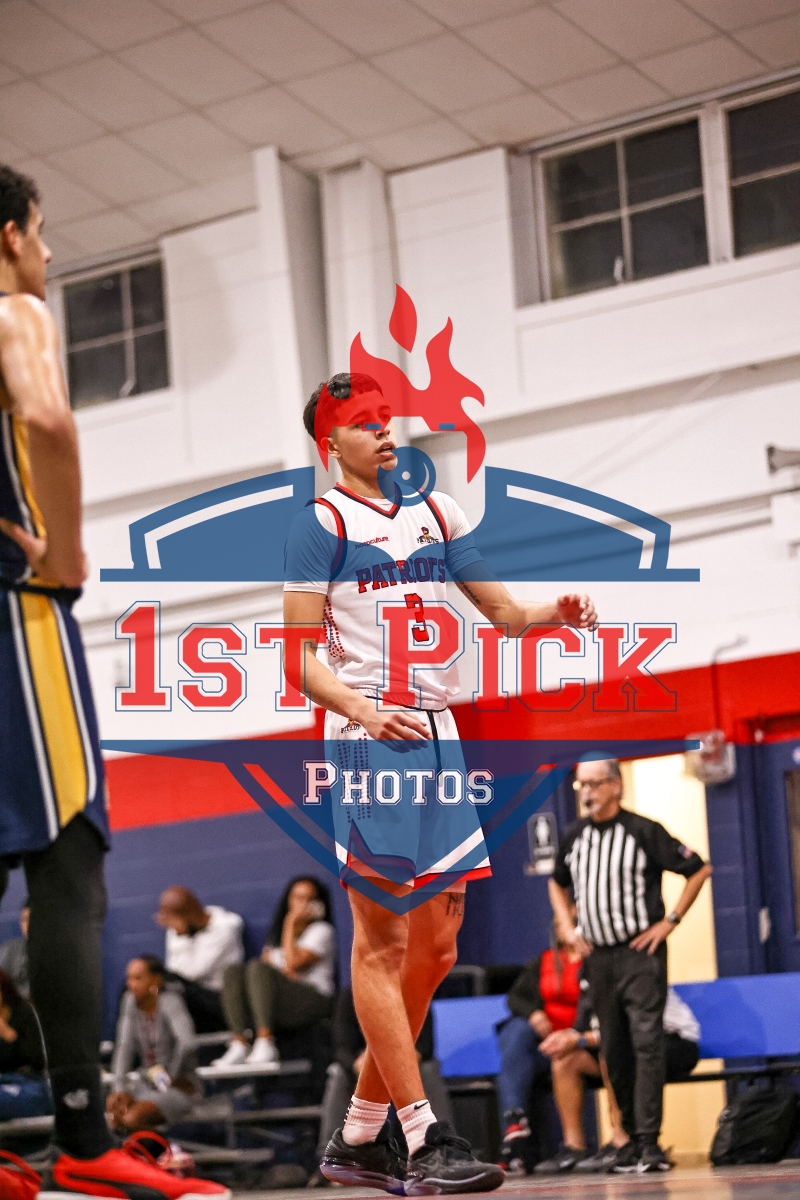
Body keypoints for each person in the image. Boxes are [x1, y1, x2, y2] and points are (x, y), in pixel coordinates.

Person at [284, 371, 597, 1193]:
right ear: (331, 443)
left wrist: (553, 614)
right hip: (368, 735)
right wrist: (362, 708)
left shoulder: (438, 510)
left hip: (437, 734)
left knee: (438, 948)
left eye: (386, 417)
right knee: (383, 942)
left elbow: (504, 616)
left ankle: (359, 1133)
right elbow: (298, 662)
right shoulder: (320, 526)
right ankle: (423, 1138)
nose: (385, 430)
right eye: (364, 422)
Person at [0, 163, 227, 1199]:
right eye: (42, 230)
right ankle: (85, 1140)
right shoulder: (15, 309)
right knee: (68, 865)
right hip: (15, 621)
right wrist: (64, 551)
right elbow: (48, 421)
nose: (49, 252)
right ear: (9, 237)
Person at [549, 757, 712, 1174]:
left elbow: (698, 869)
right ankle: (627, 1140)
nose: (587, 792)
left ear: (615, 786)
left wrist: (669, 921)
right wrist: (566, 925)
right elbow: (556, 881)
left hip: (639, 953)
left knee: (646, 1043)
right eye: (581, 785)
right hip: (598, 957)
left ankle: (649, 1141)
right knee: (613, 1047)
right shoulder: (574, 836)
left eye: (594, 783)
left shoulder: (643, 831)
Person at [313, 984, 454, 1180]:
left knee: (429, 1070)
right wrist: (360, 1064)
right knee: (338, 1074)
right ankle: (332, 1159)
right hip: (365, 1068)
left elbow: (424, 1046)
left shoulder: (415, 991)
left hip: (404, 1064)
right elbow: (342, 1049)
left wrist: (391, 1061)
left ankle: (442, 1152)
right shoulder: (351, 994)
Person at [214, 876, 336, 1069]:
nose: (303, 904)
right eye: (298, 898)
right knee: (233, 971)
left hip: (314, 998)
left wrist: (290, 922)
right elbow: (267, 976)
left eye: (309, 898)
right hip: (282, 1000)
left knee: (258, 967)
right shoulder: (275, 938)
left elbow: (292, 964)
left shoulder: (322, 931)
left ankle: (265, 1040)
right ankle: (239, 1042)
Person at [495, 929, 583, 1173]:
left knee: (514, 1062)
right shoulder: (544, 961)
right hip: (545, 1047)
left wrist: (574, 1036)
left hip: (581, 1045)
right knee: (517, 1032)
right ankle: (515, 1121)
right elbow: (515, 998)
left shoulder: (596, 961)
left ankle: (513, 1140)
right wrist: (534, 1013)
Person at [107, 956, 199, 1134]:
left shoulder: (170, 1001)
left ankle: (155, 1149)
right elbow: (124, 1047)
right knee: (114, 1113)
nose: (131, 984)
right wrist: (119, 1089)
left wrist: (172, 1075)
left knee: (132, 1118)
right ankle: (138, 1150)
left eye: (138, 978)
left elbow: (187, 1043)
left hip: (180, 1087)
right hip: (146, 1083)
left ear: (156, 980)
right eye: (129, 978)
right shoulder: (129, 1002)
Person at [158, 886, 244, 1033]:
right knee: (145, 984)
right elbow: (172, 968)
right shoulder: (177, 928)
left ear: (186, 915)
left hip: (221, 1000)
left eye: (171, 919)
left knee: (170, 983)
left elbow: (193, 972)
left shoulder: (224, 929)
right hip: (193, 996)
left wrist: (181, 935)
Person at [0, 898, 29, 998]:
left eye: (33, 920)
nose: (28, 925)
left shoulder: (59, 952)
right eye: (24, 919)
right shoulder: (9, 949)